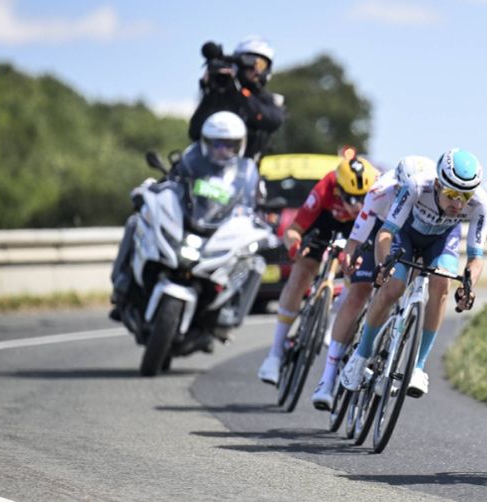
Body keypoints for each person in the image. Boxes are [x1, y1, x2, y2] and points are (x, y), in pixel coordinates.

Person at [338, 149, 487, 398]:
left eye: (466, 196)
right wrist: (383, 266)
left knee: (442, 285)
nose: (458, 204)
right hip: (405, 234)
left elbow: (476, 257)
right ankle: (361, 355)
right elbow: (386, 232)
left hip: (441, 240)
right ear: (438, 184)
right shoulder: (417, 186)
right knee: (394, 287)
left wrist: (469, 285)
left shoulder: (481, 203)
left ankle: (418, 367)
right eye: (452, 194)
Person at [310, 155, 436, 409]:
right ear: (396, 185)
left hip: (414, 234)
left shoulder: (430, 193)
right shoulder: (380, 192)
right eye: (404, 191)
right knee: (359, 292)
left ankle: (393, 344)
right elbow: (358, 236)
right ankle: (328, 378)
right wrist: (352, 257)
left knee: (414, 284)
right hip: (380, 232)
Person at [110, 111, 258, 319]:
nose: (223, 150)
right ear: (206, 143)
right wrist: (152, 190)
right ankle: (123, 283)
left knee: (252, 259)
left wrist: (256, 216)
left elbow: (251, 202)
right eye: (217, 144)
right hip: (187, 224)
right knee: (136, 221)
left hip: (215, 233)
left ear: (240, 145)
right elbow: (173, 181)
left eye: (230, 145)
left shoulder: (244, 174)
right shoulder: (192, 161)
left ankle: (227, 312)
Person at [257, 151, 379, 384]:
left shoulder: (376, 194)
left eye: (363, 198)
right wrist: (295, 247)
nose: (357, 205)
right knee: (302, 273)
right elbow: (293, 231)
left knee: (358, 279)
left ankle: (336, 317)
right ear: (338, 190)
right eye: (351, 198)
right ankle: (275, 353)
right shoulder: (326, 187)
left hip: (358, 228)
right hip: (324, 222)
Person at [189, 36, 285, 161]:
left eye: (260, 64)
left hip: (248, 169)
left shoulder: (263, 98)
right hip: (212, 166)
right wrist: (210, 93)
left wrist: (241, 94)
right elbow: (195, 132)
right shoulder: (221, 93)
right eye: (250, 62)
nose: (255, 69)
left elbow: (273, 121)